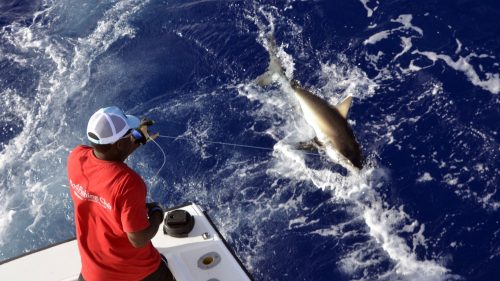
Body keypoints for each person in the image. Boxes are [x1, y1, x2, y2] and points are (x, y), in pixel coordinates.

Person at [67, 106, 174, 281]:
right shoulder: (128, 183)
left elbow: (104, 194)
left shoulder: (77, 157)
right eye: (130, 134)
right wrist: (156, 215)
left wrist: (138, 139)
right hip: (136, 272)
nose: (134, 135)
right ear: (118, 144)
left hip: (93, 274)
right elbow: (138, 239)